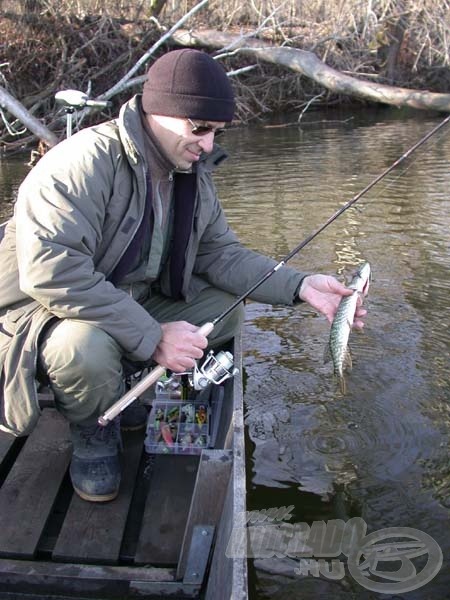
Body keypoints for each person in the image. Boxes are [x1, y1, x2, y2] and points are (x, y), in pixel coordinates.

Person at [0, 49, 366, 502]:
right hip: (41, 314)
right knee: (84, 349)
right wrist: (153, 336)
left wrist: (301, 286)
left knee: (225, 311)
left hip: (122, 298)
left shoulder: (187, 169)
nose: (209, 145)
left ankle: (126, 383)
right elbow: (52, 273)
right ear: (159, 113)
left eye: (216, 132)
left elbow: (220, 255)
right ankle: (93, 432)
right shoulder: (81, 164)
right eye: (201, 130)